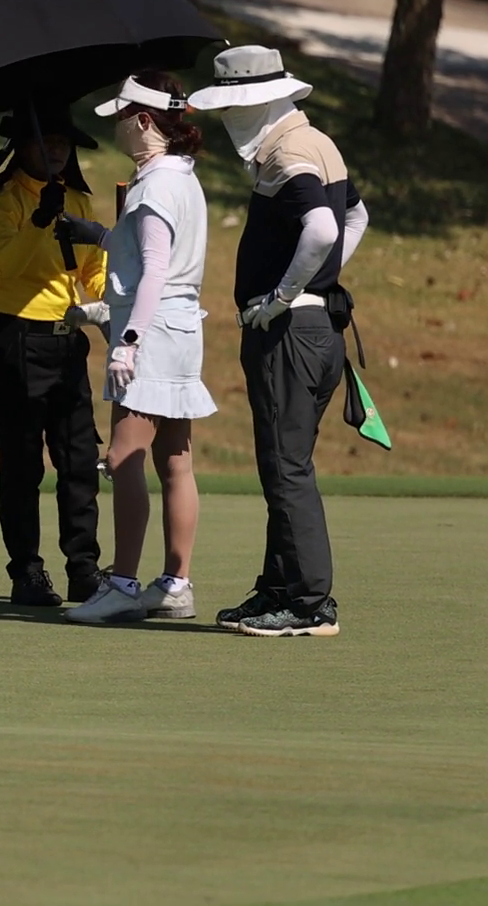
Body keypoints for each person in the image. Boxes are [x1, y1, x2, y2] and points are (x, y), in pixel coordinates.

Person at [189, 46, 369, 637]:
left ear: (254, 104)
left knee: (286, 469)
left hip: (290, 335)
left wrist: (285, 295)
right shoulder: (315, 142)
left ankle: (309, 603)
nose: (226, 120)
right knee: (284, 466)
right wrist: (318, 282)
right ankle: (279, 588)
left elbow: (323, 227)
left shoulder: (288, 155)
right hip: (317, 333)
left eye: (231, 108)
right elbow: (357, 217)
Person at [63, 74, 217, 624]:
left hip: (150, 334)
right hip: (181, 330)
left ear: (145, 121)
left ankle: (123, 584)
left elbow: (154, 270)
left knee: (123, 456)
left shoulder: (153, 187)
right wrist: (98, 235)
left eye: (123, 119)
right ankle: (175, 584)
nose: (117, 129)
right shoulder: (180, 178)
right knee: (175, 460)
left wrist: (127, 341)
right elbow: (147, 254)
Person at [0, 102, 109, 608]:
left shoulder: (77, 198)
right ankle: (27, 573)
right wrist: (38, 220)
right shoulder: (5, 200)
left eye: (62, 142)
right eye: (45, 141)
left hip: (68, 338)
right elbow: (6, 266)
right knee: (22, 463)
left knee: (79, 460)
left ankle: (84, 570)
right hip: (15, 339)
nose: (55, 149)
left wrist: (111, 302)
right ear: (22, 146)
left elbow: (92, 270)